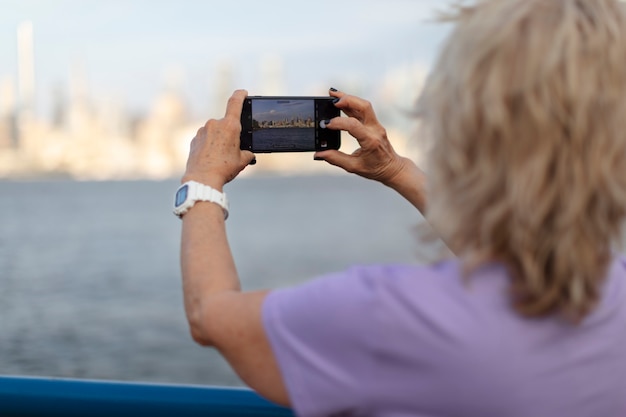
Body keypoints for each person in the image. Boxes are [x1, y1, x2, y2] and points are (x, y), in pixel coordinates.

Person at [176, 0, 626, 415]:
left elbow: (211, 316)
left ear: (459, 127)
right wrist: (394, 169)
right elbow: (519, 255)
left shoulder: (394, 317)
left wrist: (201, 182)